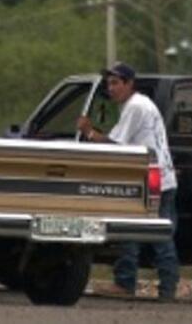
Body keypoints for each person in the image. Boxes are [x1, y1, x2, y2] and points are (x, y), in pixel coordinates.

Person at [76, 63, 179, 301]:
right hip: (160, 178)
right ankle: (155, 287)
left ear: (129, 84)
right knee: (141, 233)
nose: (111, 89)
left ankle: (137, 284)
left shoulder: (135, 107)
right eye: (109, 83)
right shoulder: (139, 105)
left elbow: (114, 144)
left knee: (155, 237)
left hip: (152, 181)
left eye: (116, 83)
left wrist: (88, 131)